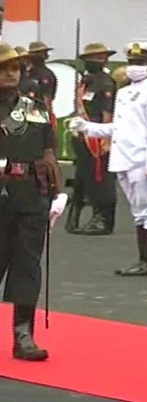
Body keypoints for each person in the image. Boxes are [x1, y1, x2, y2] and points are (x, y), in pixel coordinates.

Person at [69, 42, 147, 276]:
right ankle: (145, 259)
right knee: (139, 211)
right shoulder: (125, 92)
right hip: (123, 159)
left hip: (143, 162)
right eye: (132, 62)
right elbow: (122, 128)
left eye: (141, 63)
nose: (134, 67)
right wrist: (89, 127)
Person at [0, 42, 68, 361]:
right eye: (3, 68)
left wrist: (57, 193)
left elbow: (48, 152)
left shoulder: (35, 108)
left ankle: (23, 335)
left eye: (14, 67)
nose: (11, 73)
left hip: (30, 195)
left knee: (28, 265)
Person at [65, 43, 117, 236]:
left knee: (100, 179)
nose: (93, 62)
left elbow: (107, 112)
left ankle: (102, 218)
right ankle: (75, 217)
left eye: (98, 58)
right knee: (83, 177)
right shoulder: (86, 81)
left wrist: (106, 140)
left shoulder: (105, 82)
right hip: (83, 135)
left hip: (97, 136)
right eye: (90, 58)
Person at [27, 42, 57, 131]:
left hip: (39, 111)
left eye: (43, 53)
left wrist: (48, 115)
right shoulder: (26, 73)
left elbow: (48, 98)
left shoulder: (47, 74)